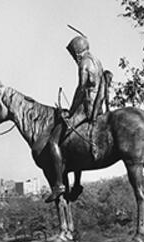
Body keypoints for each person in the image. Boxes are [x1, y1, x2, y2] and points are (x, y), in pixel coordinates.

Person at [45, 36, 108, 203]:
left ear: (77, 52)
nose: (73, 57)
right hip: (97, 106)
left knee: (53, 141)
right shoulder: (96, 60)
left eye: (73, 54)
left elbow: (81, 88)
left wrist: (71, 111)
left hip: (86, 108)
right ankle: (77, 183)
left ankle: (59, 185)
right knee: (72, 143)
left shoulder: (84, 63)